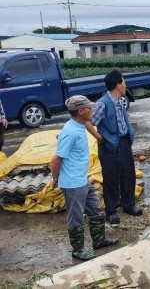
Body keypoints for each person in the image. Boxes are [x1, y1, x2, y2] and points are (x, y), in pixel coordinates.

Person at [47, 95, 118, 260]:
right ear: (80, 111)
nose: (92, 110)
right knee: (76, 217)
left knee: (95, 210)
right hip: (72, 184)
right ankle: (77, 249)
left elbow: (88, 124)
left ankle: (99, 240)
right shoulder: (70, 132)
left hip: (81, 180)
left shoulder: (79, 124)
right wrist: (55, 179)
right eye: (89, 108)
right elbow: (56, 159)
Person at [86, 70, 142, 227]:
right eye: (123, 82)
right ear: (118, 85)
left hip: (124, 142)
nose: (125, 85)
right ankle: (111, 212)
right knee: (111, 178)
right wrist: (98, 137)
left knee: (128, 173)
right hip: (109, 146)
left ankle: (129, 205)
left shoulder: (120, 101)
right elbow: (88, 121)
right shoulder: (102, 104)